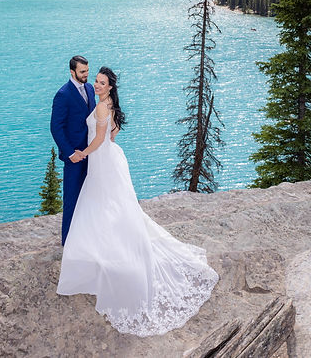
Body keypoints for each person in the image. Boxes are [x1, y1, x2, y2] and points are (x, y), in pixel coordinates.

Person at [57, 67, 218, 337]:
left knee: (102, 201)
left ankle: (103, 247)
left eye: (101, 83)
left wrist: (81, 154)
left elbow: (98, 138)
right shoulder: (108, 104)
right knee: (112, 203)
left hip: (100, 160)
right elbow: (112, 133)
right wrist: (100, 147)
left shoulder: (100, 108)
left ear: (109, 87)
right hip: (110, 157)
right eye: (95, 81)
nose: (96, 85)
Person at [49, 55, 96, 245]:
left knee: (90, 196)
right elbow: (56, 127)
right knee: (72, 199)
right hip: (75, 157)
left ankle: (87, 238)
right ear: (72, 72)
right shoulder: (63, 95)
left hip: (92, 154)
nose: (86, 75)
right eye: (82, 72)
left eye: (87, 71)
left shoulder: (90, 89)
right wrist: (70, 153)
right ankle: (68, 242)